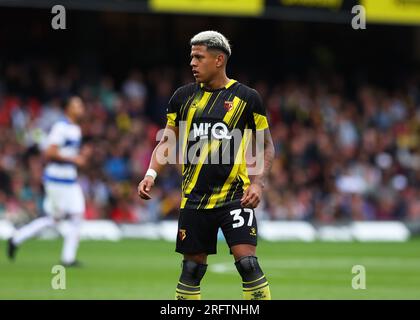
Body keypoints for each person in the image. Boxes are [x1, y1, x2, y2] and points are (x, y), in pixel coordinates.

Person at [138, 31, 275, 300]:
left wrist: (258, 183)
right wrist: (150, 174)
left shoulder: (247, 98)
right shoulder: (182, 97)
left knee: (248, 265)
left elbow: (266, 145)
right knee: (191, 269)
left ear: (219, 59)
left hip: (235, 196)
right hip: (194, 198)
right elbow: (167, 143)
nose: (192, 63)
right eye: (191, 57)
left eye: (199, 57)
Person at [7, 96, 90, 267]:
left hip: (70, 179)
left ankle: (68, 258)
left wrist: (80, 157)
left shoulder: (75, 128)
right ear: (68, 109)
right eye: (77, 105)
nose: (81, 108)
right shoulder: (61, 127)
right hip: (57, 179)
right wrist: (75, 160)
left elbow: (67, 152)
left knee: (78, 214)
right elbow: (50, 153)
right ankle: (17, 237)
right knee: (55, 219)